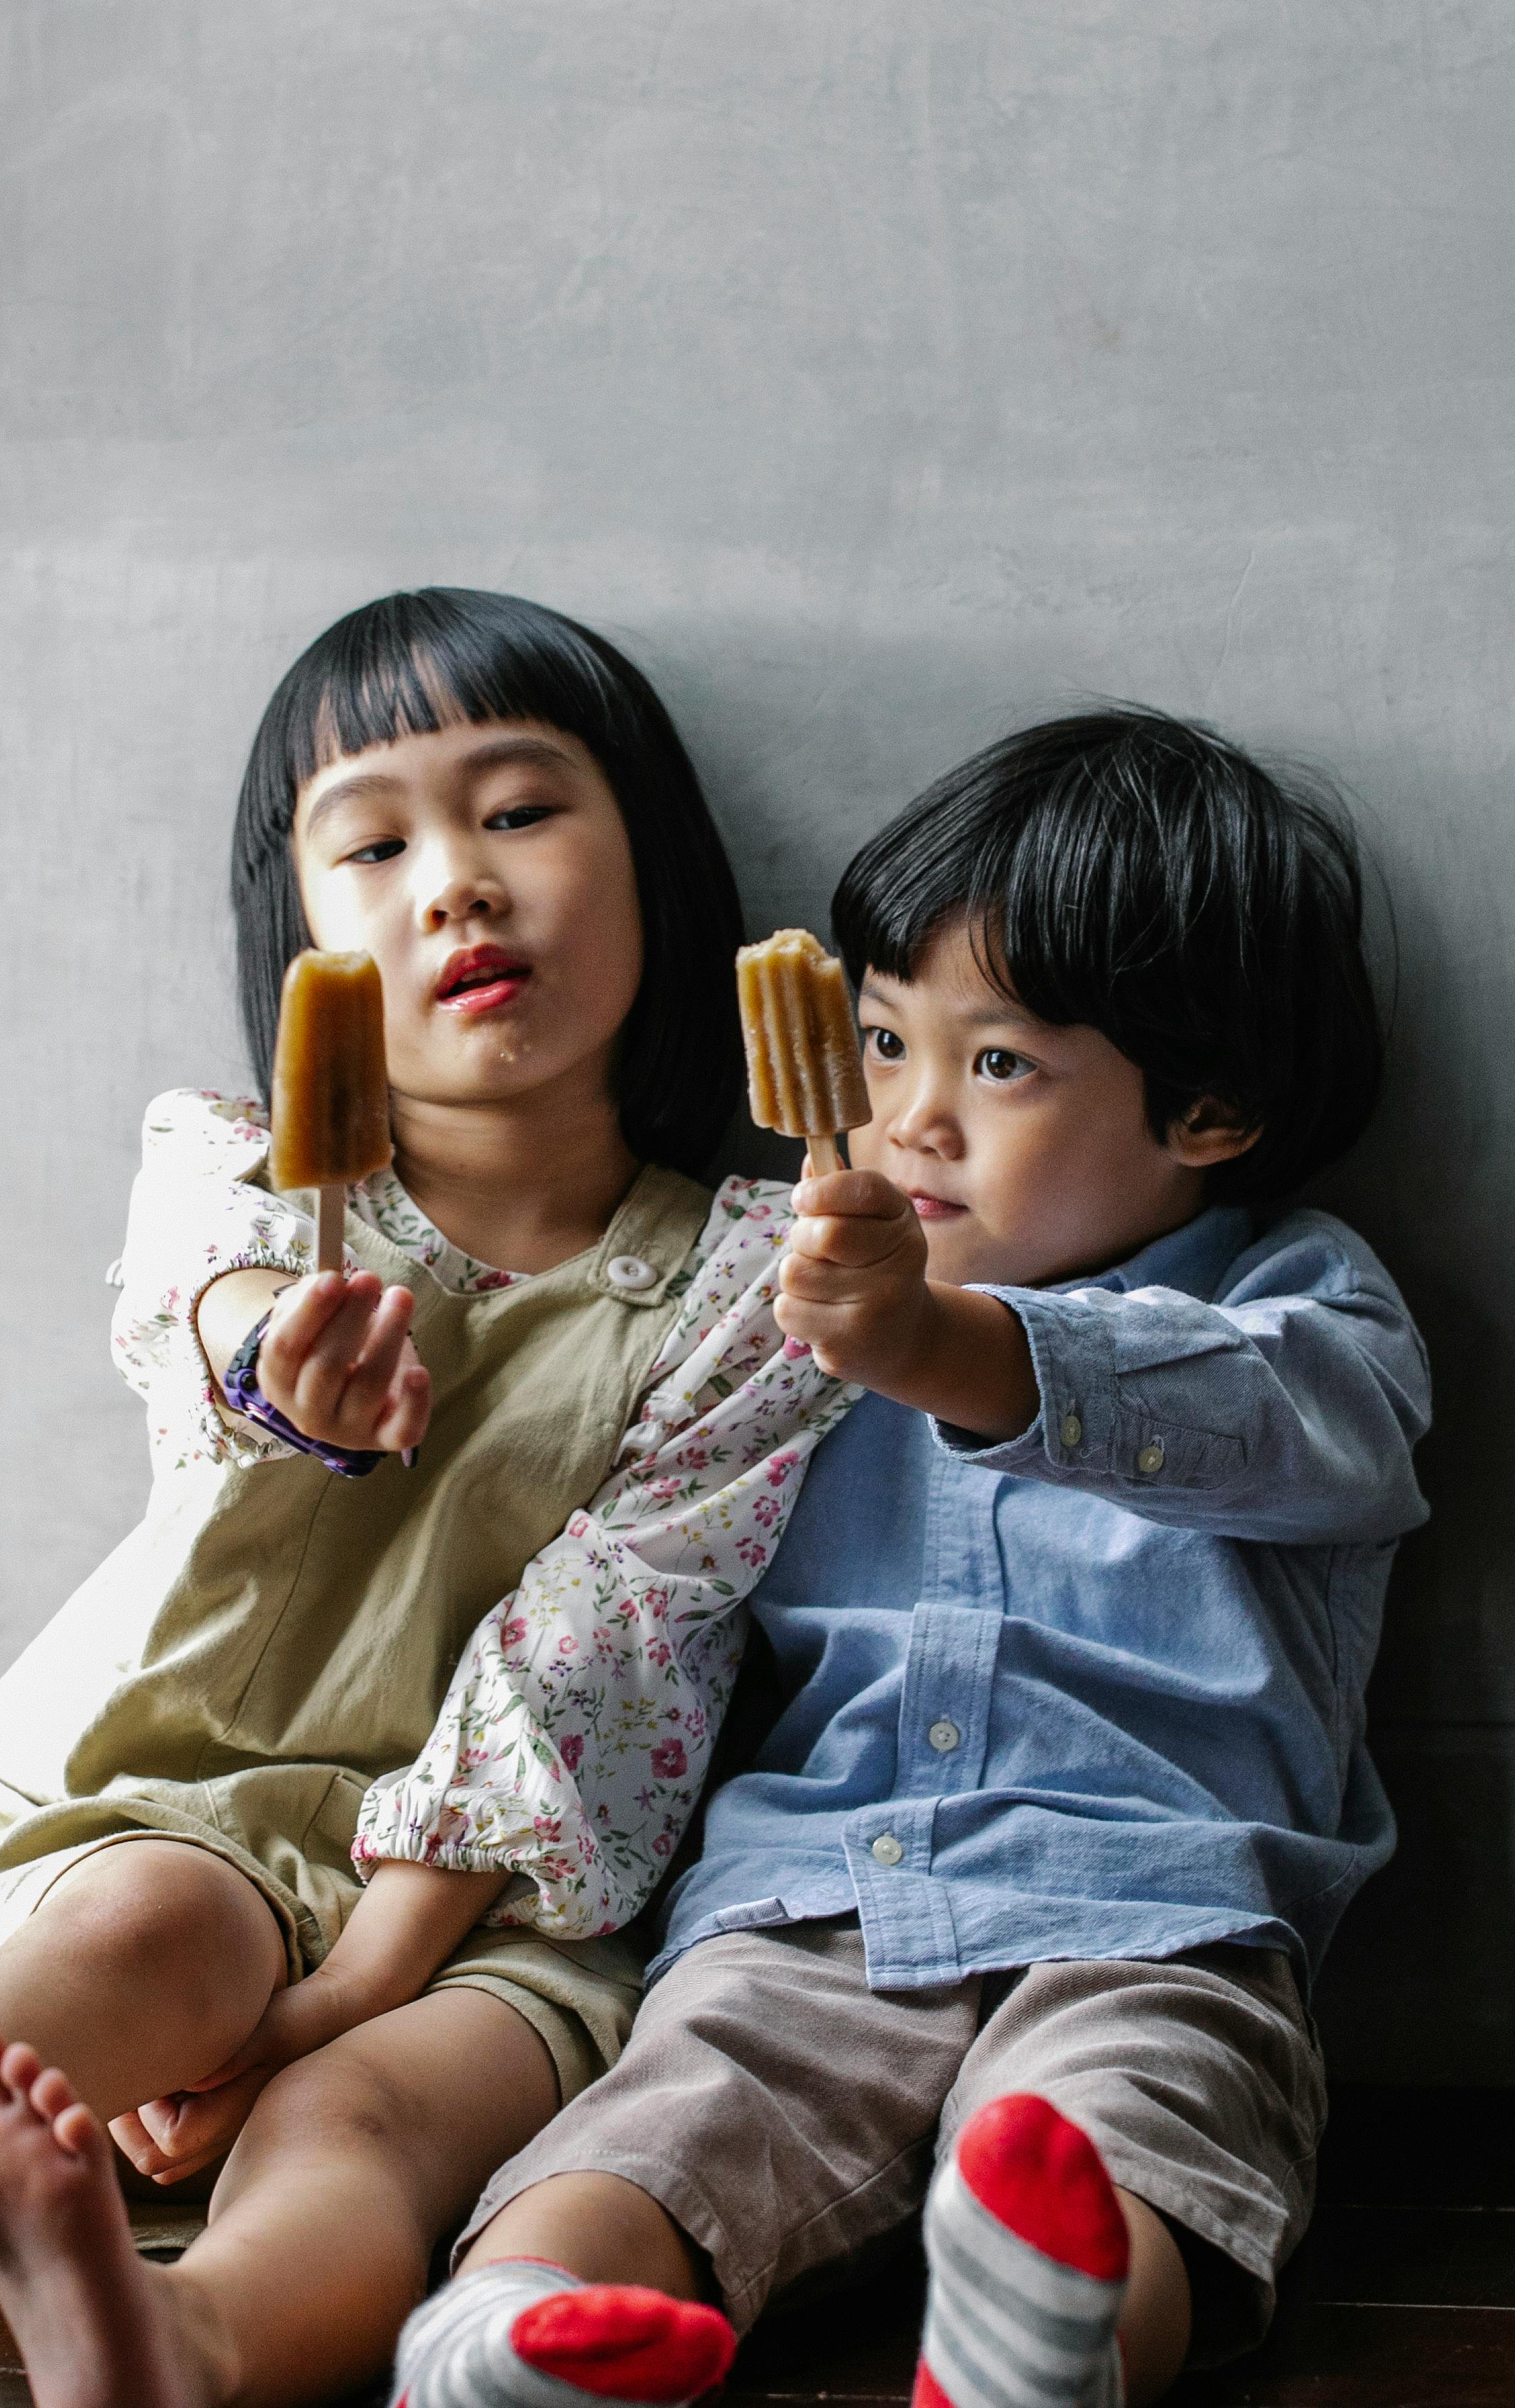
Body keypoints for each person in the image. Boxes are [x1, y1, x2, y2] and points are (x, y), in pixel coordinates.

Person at [382, 709, 1430, 2408]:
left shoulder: (1298, 1304)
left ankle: (1049, 2341)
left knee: (1125, 2125)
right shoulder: (783, 1310)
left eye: (998, 1065)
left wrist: (938, 1345)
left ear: (1212, 1109)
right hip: (812, 1898)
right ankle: (514, 2329)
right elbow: (644, 1562)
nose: (911, 1121)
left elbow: (1289, 1432)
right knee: (678, 2102)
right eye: (878, 1043)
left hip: (1150, 1911)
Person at [0, 587, 853, 2408]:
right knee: (155, 1931)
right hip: (176, 1798)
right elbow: (199, 1299)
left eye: (519, 811)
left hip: (499, 1895)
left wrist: (347, 1993)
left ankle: (176, 2348)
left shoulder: (761, 1283)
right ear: (304, 936)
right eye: (377, 842)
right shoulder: (236, 1164)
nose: (459, 882)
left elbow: (603, 1647)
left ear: (654, 860)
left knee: (367, 2116)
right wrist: (287, 1354)